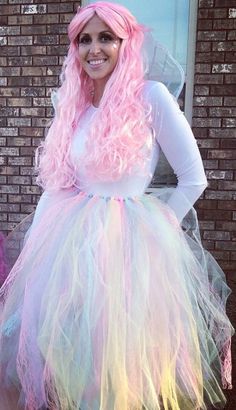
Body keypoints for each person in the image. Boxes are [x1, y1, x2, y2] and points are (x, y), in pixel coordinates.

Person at [0, 2, 233, 409]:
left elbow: (194, 178)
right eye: (84, 39)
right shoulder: (75, 104)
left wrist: (156, 228)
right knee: (76, 356)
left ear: (127, 43)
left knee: (121, 358)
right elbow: (59, 185)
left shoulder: (151, 97)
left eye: (106, 37)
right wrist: (36, 253)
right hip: (72, 245)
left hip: (130, 250)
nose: (94, 48)